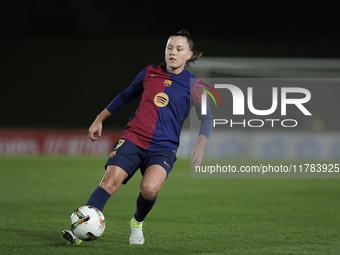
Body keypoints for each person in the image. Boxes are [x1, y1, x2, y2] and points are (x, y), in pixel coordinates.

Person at [62, 29, 213, 245]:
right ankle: (79, 233)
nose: (173, 52)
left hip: (164, 147)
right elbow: (125, 96)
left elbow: (207, 117)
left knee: (149, 189)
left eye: (179, 49)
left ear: (189, 55)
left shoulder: (196, 85)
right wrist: (99, 118)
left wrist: (201, 143)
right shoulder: (149, 72)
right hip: (134, 138)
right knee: (109, 181)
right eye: (169, 47)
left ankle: (137, 223)